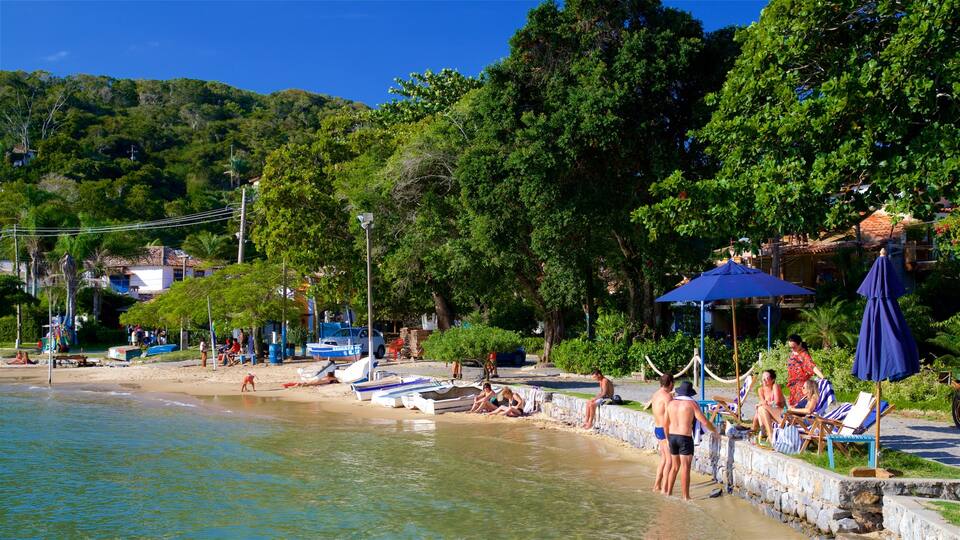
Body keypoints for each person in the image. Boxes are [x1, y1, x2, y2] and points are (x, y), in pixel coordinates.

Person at [663, 380, 718, 500]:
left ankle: (668, 493)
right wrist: (714, 430)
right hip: (684, 438)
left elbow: (665, 424)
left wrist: (667, 438)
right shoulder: (692, 404)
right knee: (685, 468)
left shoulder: (671, 404)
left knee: (674, 467)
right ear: (690, 393)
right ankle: (686, 497)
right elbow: (704, 421)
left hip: (672, 437)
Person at [650, 373, 674, 492]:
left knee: (664, 458)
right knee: (669, 460)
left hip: (657, 428)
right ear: (671, 383)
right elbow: (670, 415)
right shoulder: (667, 397)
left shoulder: (656, 394)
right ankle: (664, 488)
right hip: (665, 429)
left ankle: (657, 485)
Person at [786, 334, 824, 407]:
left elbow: (812, 366)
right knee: (793, 408)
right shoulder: (793, 353)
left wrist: (822, 377)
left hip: (802, 387)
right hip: (793, 386)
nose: (792, 349)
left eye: (794, 347)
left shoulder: (804, 355)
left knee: (800, 407)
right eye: (790, 347)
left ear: (800, 344)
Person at [753, 369, 786, 441]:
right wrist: (764, 403)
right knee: (760, 409)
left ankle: (760, 432)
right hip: (768, 412)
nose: (764, 380)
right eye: (763, 377)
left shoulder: (775, 386)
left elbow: (777, 403)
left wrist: (764, 403)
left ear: (772, 380)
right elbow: (763, 402)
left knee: (761, 408)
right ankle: (762, 432)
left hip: (782, 413)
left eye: (767, 378)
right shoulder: (761, 390)